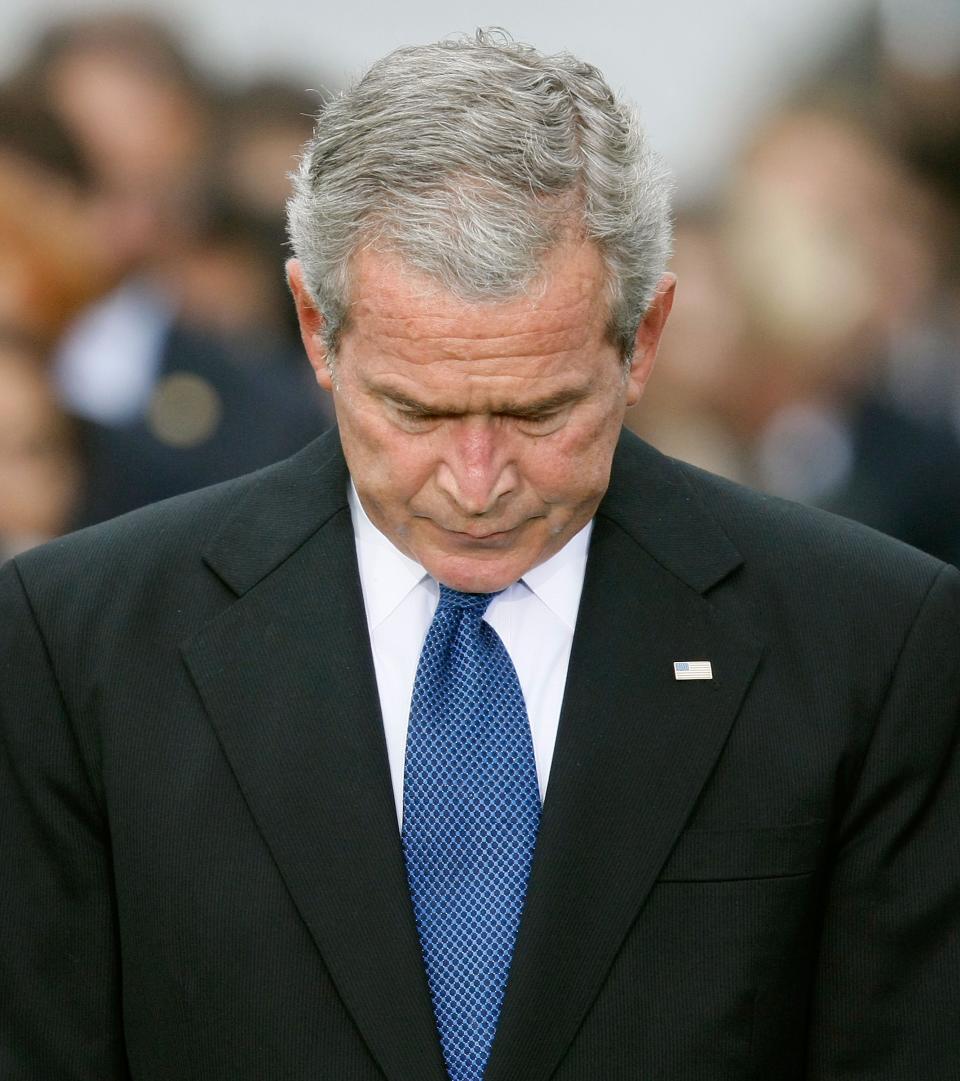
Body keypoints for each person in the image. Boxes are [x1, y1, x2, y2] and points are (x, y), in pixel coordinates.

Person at [1, 31, 958, 1081]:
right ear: (317, 329)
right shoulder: (81, 645)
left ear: (643, 336)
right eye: (415, 409)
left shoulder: (868, 646)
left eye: (539, 411)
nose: (475, 478)